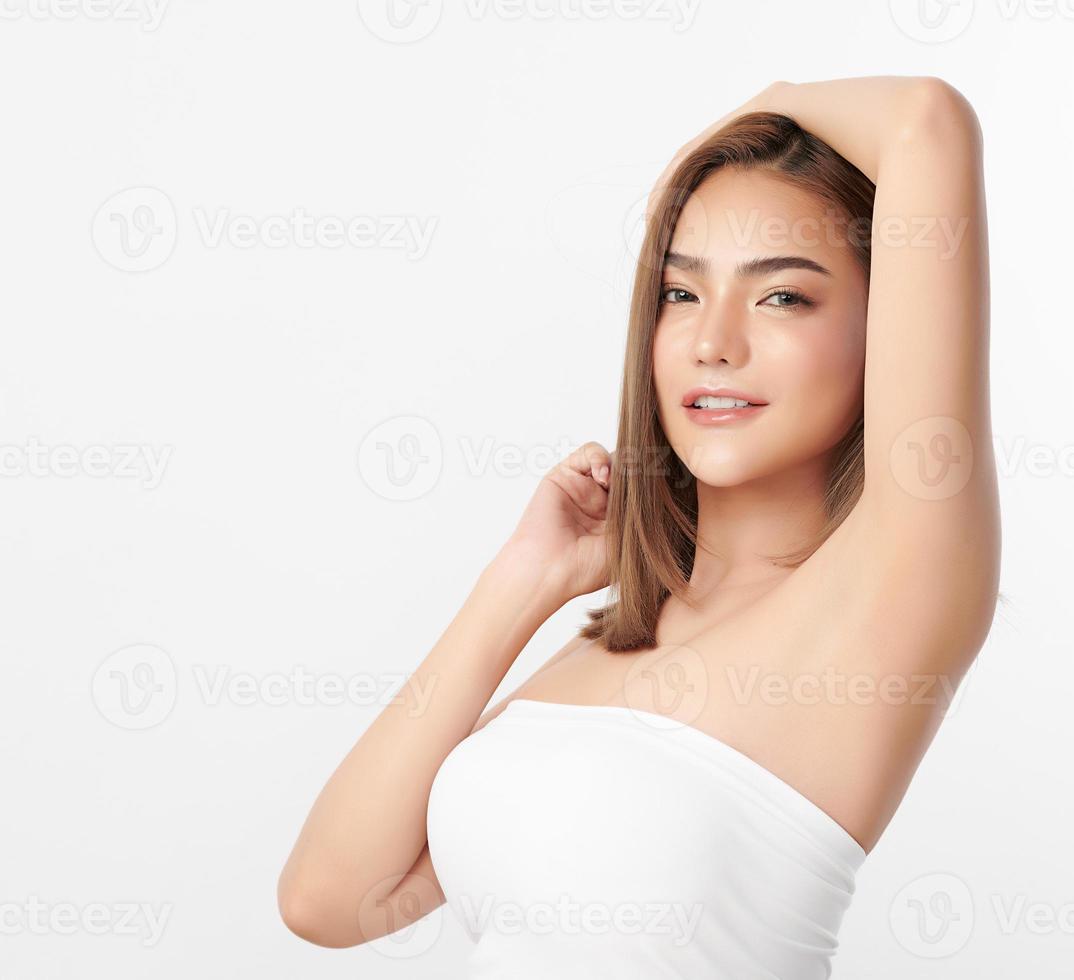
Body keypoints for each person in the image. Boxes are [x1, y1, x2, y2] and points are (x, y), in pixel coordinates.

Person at [277, 75, 999, 978]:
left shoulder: (891, 591)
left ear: (881, 329)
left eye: (782, 297)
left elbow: (927, 120)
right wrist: (521, 584)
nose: (714, 342)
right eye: (680, 292)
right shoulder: (598, 654)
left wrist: (733, 129)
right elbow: (329, 900)